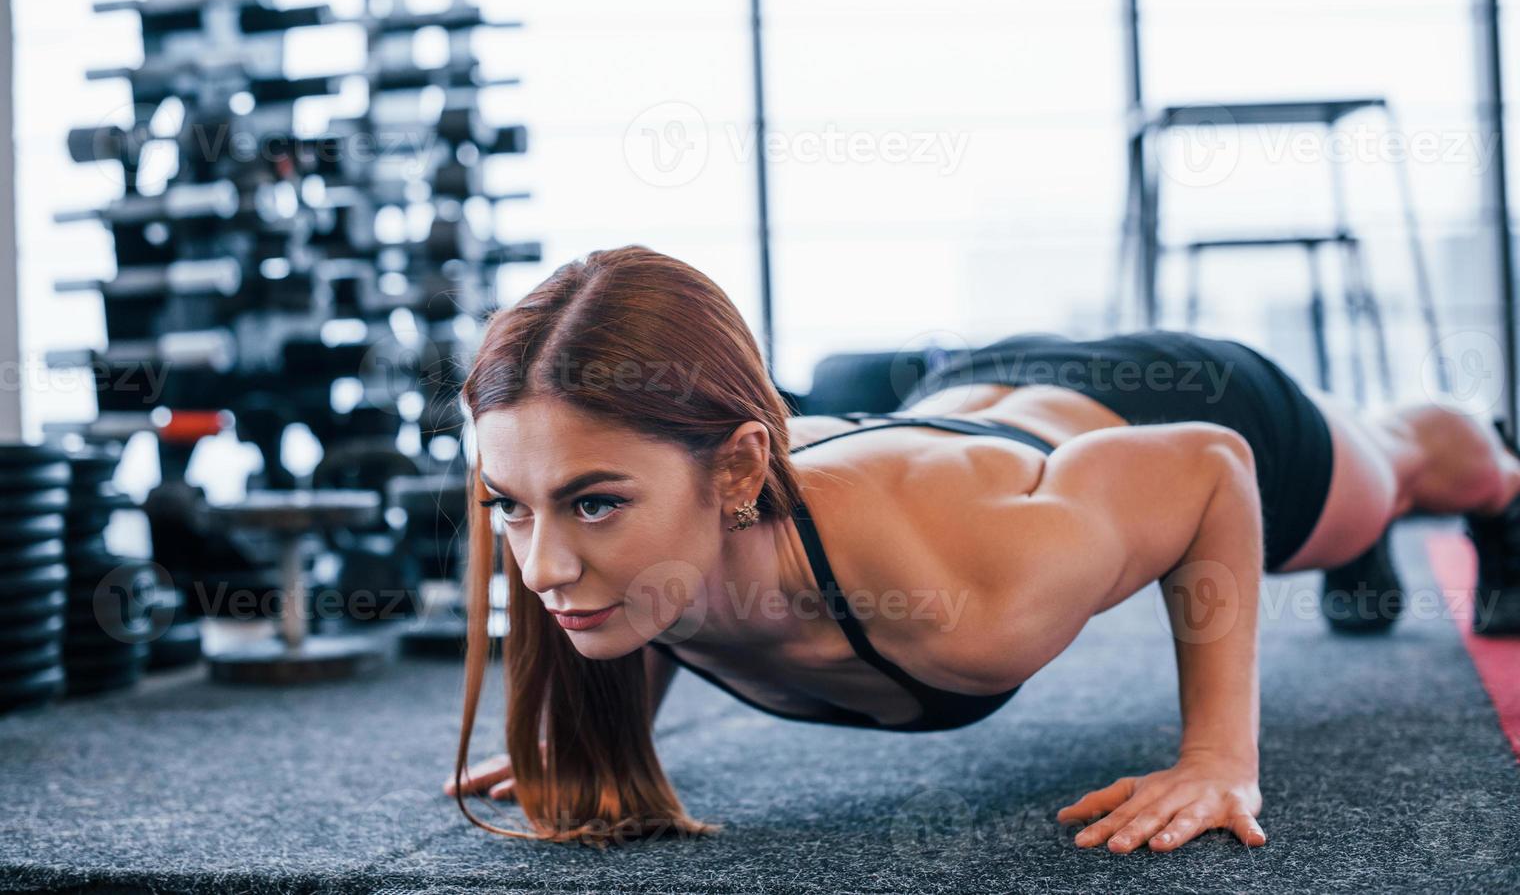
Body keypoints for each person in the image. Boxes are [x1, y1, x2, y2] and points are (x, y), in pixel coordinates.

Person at [443, 244, 1520, 852]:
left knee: (1401, 469)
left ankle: (1498, 488)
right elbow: (644, 578)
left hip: (1178, 408)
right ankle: (1360, 548)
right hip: (962, 401)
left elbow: (1208, 468)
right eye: (512, 504)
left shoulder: (966, 593)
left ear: (732, 475)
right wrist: (583, 744)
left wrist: (1214, 760)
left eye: (590, 506)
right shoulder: (651, 531)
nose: (539, 570)